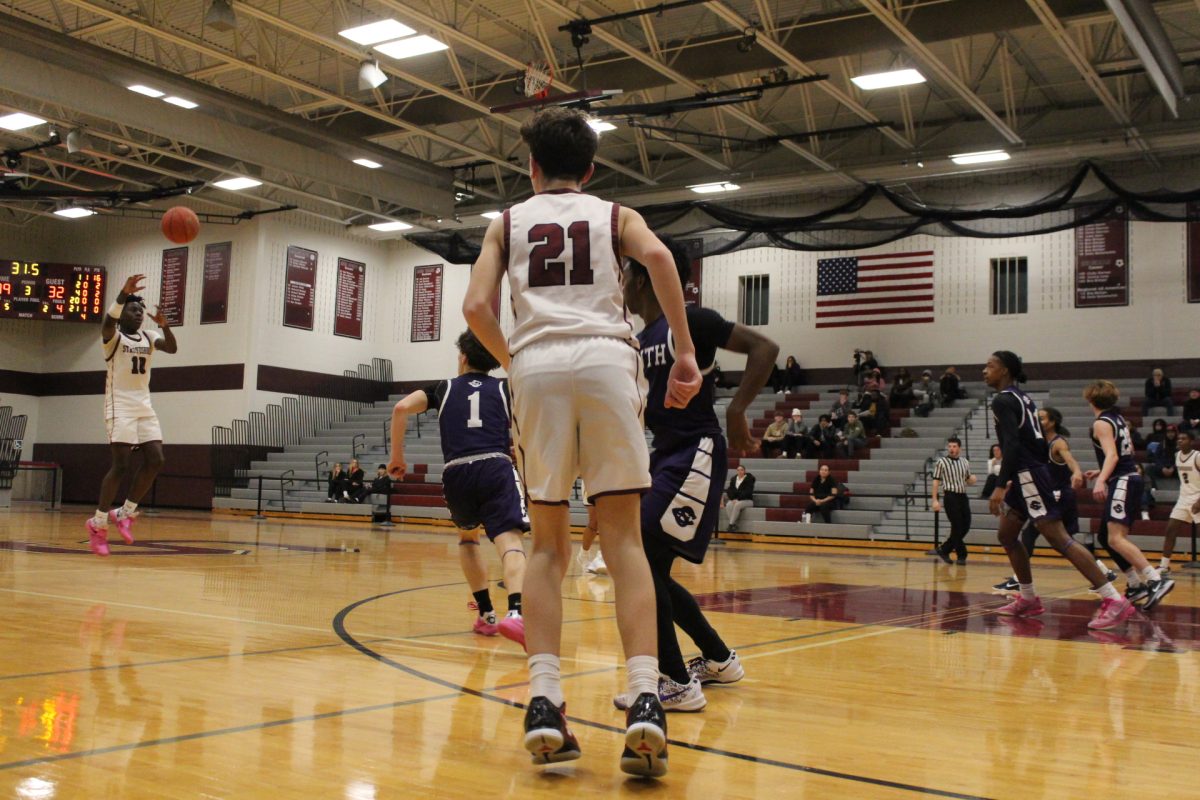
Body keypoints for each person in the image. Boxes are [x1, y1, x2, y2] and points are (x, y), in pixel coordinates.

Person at [462, 107, 700, 777]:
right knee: (623, 542)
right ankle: (647, 698)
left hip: (537, 364)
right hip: (605, 359)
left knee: (546, 545)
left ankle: (544, 700)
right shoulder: (614, 214)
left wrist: (516, 362)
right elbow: (659, 259)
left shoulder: (505, 223)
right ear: (590, 170)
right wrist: (684, 353)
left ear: (531, 169)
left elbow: (476, 309)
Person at [602, 234, 775, 711]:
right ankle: (717, 658)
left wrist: (738, 409)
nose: (623, 286)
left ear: (644, 277)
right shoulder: (639, 339)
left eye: (626, 276)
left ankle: (676, 682)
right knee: (649, 567)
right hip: (664, 455)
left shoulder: (691, 322)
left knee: (638, 558)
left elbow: (765, 347)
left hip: (695, 451)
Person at [387, 330, 529, 647]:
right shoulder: (506, 388)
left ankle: (487, 615)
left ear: (463, 356)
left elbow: (400, 409)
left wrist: (397, 456)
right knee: (510, 542)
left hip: (456, 472)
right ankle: (516, 614)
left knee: (468, 539)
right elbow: (525, 424)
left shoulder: (442, 388)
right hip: (494, 464)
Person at [981, 351, 1130, 629]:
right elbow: (1032, 445)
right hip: (1029, 474)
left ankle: (1113, 600)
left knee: (1060, 539)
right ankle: (1028, 598)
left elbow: (1011, 445)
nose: (984, 371)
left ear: (1005, 371)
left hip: (1029, 475)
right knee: (1007, 534)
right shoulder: (1023, 398)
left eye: (990, 366)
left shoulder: (1003, 400)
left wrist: (1002, 484)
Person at [84, 274, 178, 557]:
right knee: (121, 465)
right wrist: (123, 294)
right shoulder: (113, 339)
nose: (138, 313)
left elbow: (172, 347)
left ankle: (125, 513)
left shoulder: (149, 337)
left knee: (156, 459)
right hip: (119, 406)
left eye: (141, 310)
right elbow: (106, 323)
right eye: (133, 309)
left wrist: (165, 325)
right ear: (122, 312)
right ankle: (98, 523)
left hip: (143, 406)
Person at [992, 408, 1114, 593]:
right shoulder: (1039, 442)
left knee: (1034, 536)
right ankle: (1103, 571)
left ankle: (1020, 580)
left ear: (1052, 422)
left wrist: (1076, 472)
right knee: (1065, 540)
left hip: (1059, 495)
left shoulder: (1058, 443)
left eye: (1042, 418)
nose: (1038, 421)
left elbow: (1070, 459)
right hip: (1048, 493)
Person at [1083, 380, 1175, 610]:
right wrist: (1102, 471)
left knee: (1116, 538)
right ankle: (1135, 584)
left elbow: (1113, 456)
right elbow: (1128, 452)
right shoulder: (1119, 419)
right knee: (1105, 535)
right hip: (1128, 477)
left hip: (1123, 480)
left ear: (1090, 399)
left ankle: (1155, 580)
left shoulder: (1101, 422)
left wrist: (1102, 479)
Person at [931, 437, 976, 564]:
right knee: (957, 526)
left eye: (954, 446)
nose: (951, 449)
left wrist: (972, 479)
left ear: (960, 448)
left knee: (966, 525)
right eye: (950, 446)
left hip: (963, 496)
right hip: (950, 496)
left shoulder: (965, 462)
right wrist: (934, 500)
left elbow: (967, 479)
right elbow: (935, 482)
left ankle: (944, 549)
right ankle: (962, 554)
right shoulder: (942, 462)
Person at [1161, 429, 1200, 574]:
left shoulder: (1197, 456)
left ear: (1191, 441)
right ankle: (1164, 566)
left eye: (1183, 438)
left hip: (1198, 498)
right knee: (1170, 529)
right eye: (1179, 439)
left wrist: (1199, 501)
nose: (1179, 440)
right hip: (1183, 499)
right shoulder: (1177, 455)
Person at [722, 465, 756, 531]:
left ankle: (730, 524)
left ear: (744, 471)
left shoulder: (749, 479)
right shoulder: (733, 479)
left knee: (737, 505)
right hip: (735, 500)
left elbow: (748, 492)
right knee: (729, 505)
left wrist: (738, 499)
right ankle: (733, 524)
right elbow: (729, 490)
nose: (740, 471)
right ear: (736, 471)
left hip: (747, 500)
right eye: (738, 470)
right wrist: (733, 499)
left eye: (741, 470)